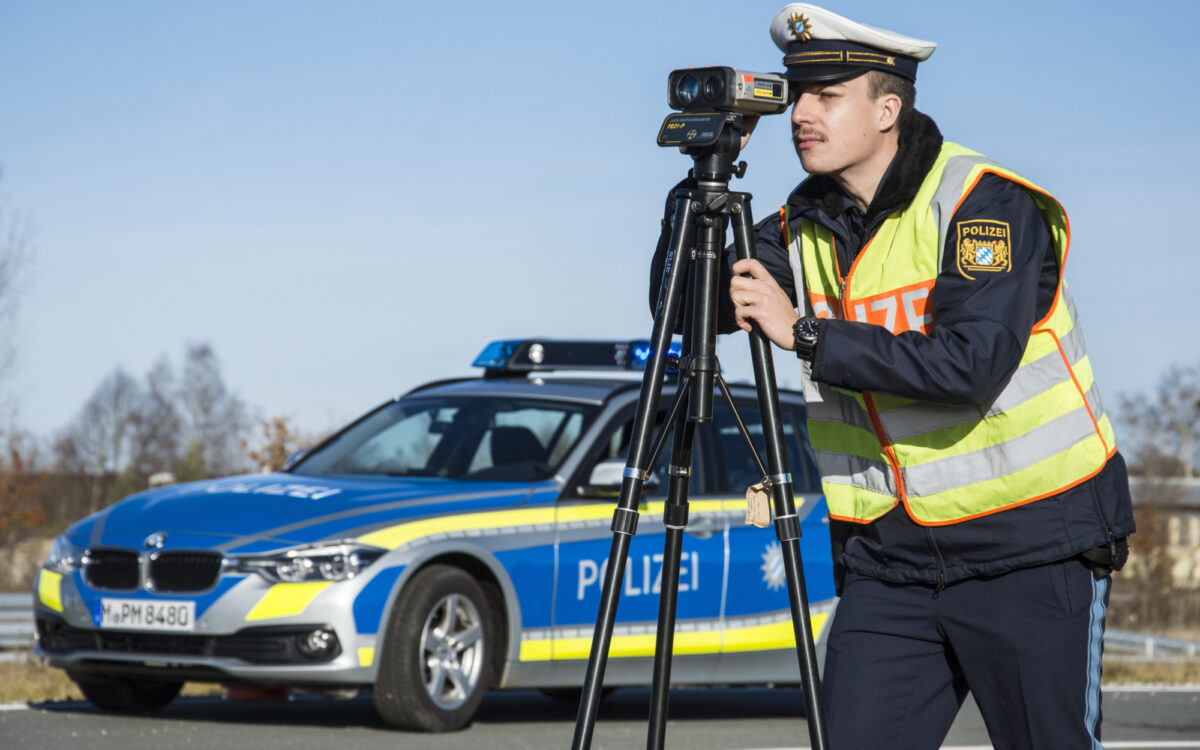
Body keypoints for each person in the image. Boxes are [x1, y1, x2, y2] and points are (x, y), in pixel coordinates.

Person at [649, 4, 1135, 748]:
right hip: (891, 562)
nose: (800, 113)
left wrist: (806, 333)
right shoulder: (801, 225)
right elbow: (685, 307)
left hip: (1030, 546)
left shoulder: (982, 204)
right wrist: (699, 186)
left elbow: (971, 365)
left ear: (888, 109)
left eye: (827, 95)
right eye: (796, 94)